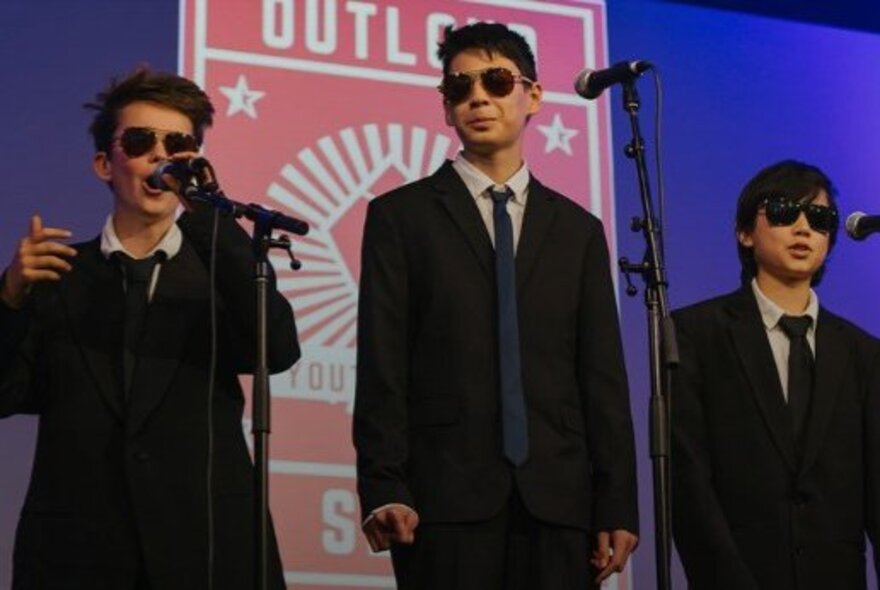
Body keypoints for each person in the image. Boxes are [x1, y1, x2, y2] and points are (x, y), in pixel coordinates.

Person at [353, 22, 639, 589]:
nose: (477, 97)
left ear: (533, 95)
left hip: (560, 505)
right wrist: (384, 483)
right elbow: (382, 363)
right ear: (445, 106)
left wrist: (616, 504)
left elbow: (601, 376)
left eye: (496, 80)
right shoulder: (400, 217)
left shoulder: (578, 230)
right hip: (443, 500)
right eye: (459, 87)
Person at [0, 67, 299, 589]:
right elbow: (5, 394)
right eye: (141, 142)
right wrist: (7, 298)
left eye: (178, 145)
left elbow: (275, 349)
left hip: (206, 549)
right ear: (104, 163)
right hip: (78, 554)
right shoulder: (56, 275)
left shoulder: (223, 269)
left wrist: (207, 213)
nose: (161, 157)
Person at [671, 160, 880, 589]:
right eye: (785, 211)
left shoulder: (863, 353)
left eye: (820, 219)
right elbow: (689, 478)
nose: (804, 228)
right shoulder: (695, 333)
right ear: (745, 232)